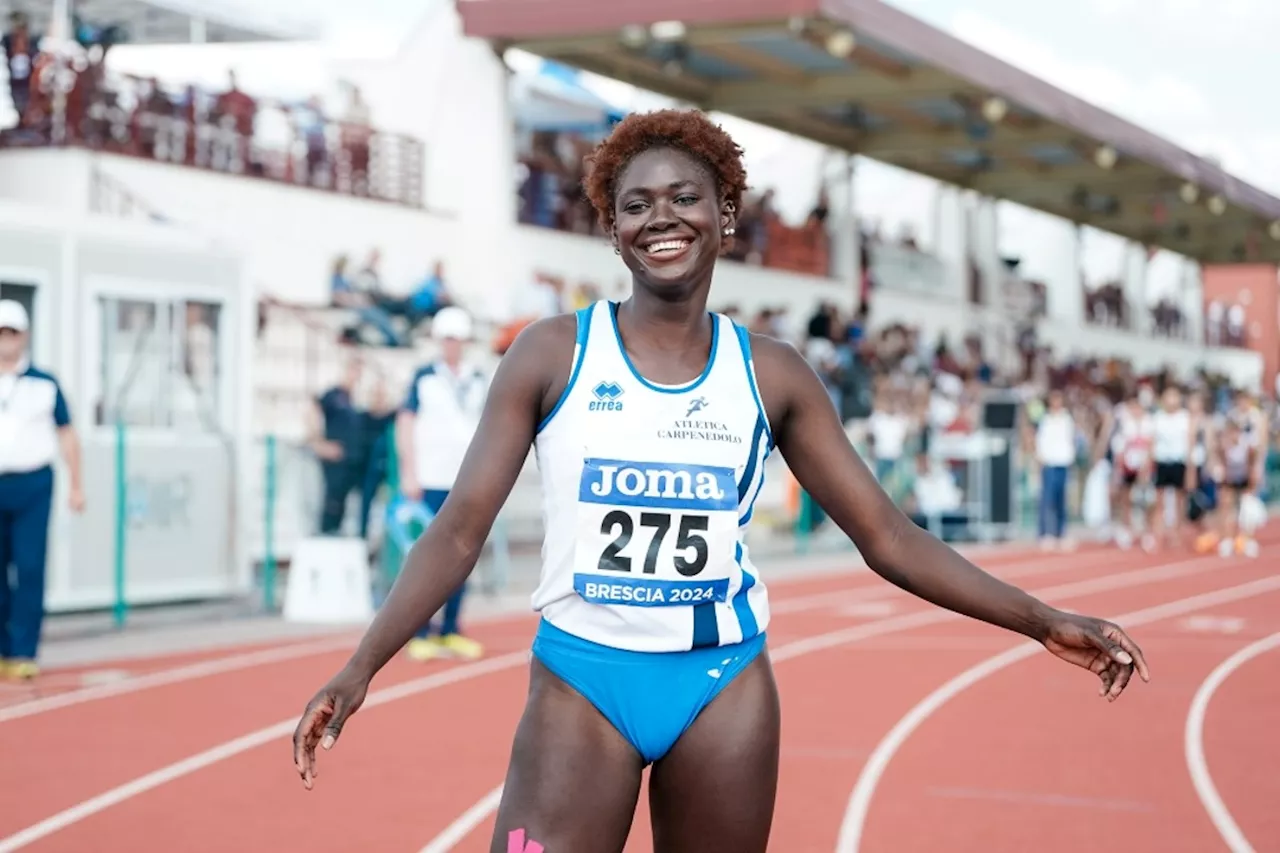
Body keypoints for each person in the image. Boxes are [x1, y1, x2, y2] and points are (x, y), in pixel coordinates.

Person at [292, 110, 1150, 852]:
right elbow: (457, 528)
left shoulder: (772, 375)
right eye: (636, 205)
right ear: (611, 230)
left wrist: (1042, 620)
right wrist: (362, 664)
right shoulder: (552, 353)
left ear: (725, 215)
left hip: (722, 684)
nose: (660, 218)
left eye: (683, 197)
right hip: (582, 680)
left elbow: (887, 536)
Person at [396, 306, 487, 662]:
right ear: (439, 340)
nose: (454, 345)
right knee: (424, 558)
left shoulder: (477, 378)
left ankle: (450, 629)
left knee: (461, 556)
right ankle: (420, 631)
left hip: (465, 481)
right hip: (430, 478)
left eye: (459, 339)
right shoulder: (424, 377)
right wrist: (410, 472)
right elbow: (405, 424)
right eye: (449, 338)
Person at [0, 300, 85, 680]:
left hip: (34, 484)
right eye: (1, 333)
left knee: (30, 567)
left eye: (12, 333)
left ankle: (23, 651)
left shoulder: (45, 384)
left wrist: (77, 484)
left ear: (24, 336)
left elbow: (66, 434)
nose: (6, 341)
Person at [1032, 388, 1077, 551]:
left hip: (1063, 462)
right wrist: (1040, 458)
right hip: (1049, 463)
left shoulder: (1066, 419)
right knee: (1047, 499)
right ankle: (1045, 533)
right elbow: (1040, 440)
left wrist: (1070, 458)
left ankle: (1060, 532)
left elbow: (1070, 439)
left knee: (1061, 500)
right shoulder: (1045, 419)